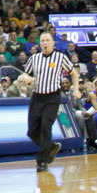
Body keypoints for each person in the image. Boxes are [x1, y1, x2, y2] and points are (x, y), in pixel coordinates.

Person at [24, 31, 79, 172]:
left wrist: (76, 89)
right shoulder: (34, 58)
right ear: (39, 43)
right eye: (42, 40)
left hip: (53, 97)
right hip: (37, 97)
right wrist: (26, 80)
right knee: (31, 131)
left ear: (53, 43)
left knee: (45, 126)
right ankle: (51, 147)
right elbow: (25, 75)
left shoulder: (60, 57)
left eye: (48, 40)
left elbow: (74, 73)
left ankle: (42, 161)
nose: (45, 43)